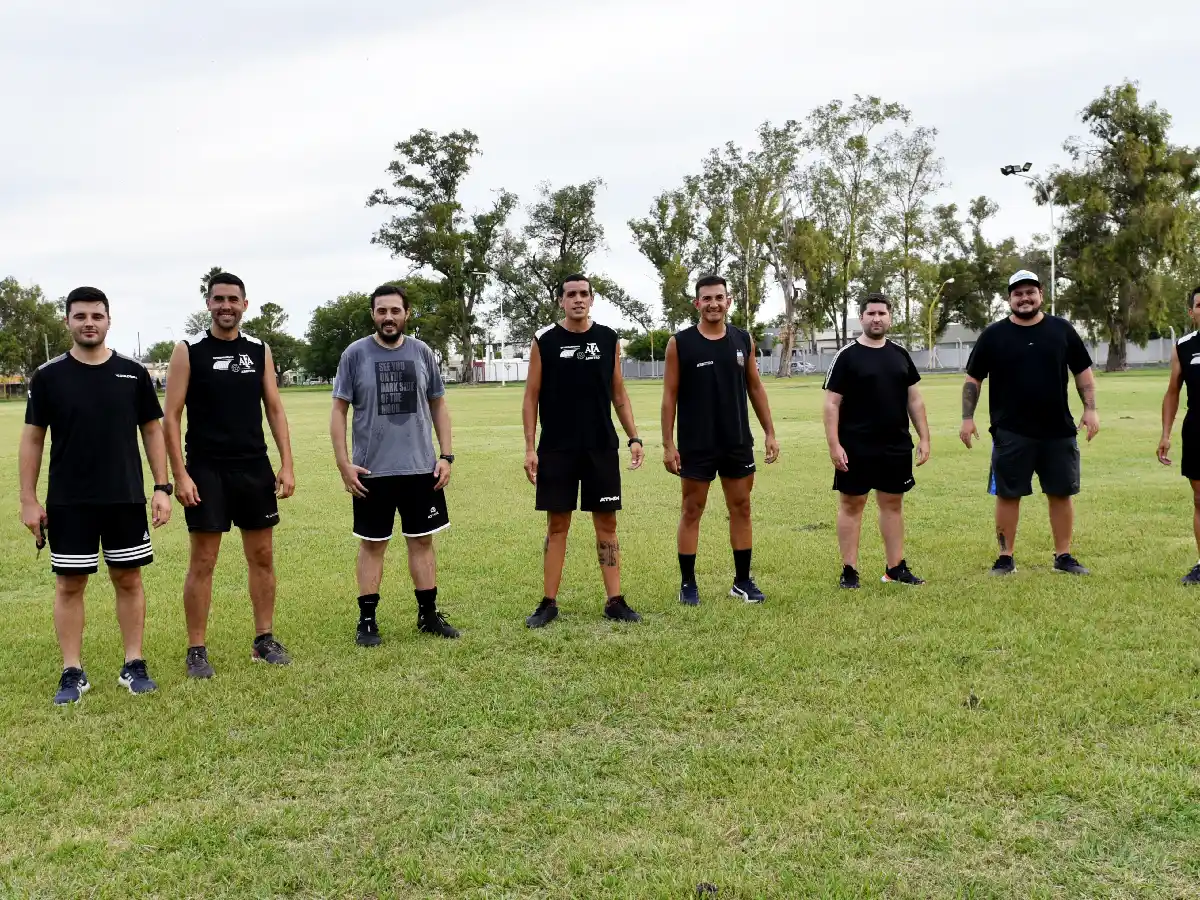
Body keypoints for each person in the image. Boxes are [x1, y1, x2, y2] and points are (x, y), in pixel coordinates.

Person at [18, 287, 173, 704]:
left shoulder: (132, 372)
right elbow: (33, 440)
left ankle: (133, 664)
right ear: (67, 321)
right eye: (81, 315)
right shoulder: (49, 376)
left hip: (124, 497)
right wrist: (28, 499)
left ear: (109, 320)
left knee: (129, 578)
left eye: (97, 316)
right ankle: (73, 671)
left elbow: (151, 431)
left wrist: (161, 487)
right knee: (70, 584)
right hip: (70, 501)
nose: (89, 322)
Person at [164, 272, 296, 677]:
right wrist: (181, 475)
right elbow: (171, 415)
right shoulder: (189, 350)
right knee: (204, 560)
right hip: (206, 469)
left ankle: (264, 639)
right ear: (208, 304)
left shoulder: (259, 350)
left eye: (233, 299)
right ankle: (197, 649)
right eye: (218, 299)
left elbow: (274, 407)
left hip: (253, 467)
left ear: (244, 304)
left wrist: (286, 462)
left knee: (262, 555)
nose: (226, 305)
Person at [330, 284, 460, 645]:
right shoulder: (355, 354)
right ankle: (367, 621)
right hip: (373, 472)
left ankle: (428, 615)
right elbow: (339, 411)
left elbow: (438, 404)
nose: (388, 317)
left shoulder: (422, 353)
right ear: (373, 314)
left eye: (395, 311)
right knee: (373, 544)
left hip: (421, 468)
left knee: (422, 541)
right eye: (381, 311)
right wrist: (344, 463)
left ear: (407, 314)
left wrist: (446, 455)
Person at [521, 274, 645, 628]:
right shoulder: (544, 340)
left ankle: (615, 600)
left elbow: (618, 394)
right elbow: (531, 398)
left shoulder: (608, 339)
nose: (578, 299)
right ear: (561, 300)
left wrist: (634, 437)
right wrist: (530, 448)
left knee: (606, 523)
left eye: (583, 294)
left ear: (592, 299)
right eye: (571, 294)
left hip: (600, 447)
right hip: (557, 449)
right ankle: (548, 603)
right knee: (557, 524)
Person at [960, 269, 1099, 576]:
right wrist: (967, 418)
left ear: (1041, 295)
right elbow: (973, 379)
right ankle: (1005, 557)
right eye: (1017, 293)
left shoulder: (1061, 330)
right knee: (1008, 495)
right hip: (1011, 431)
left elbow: (1082, 373)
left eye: (1030, 292)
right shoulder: (994, 335)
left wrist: (1090, 409)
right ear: (1009, 298)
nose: (1024, 298)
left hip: (1058, 430)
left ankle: (1063, 556)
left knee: (1061, 493)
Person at [661, 274, 780, 605]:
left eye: (719, 297)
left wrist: (770, 431)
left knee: (741, 506)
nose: (713, 303)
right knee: (692, 508)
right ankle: (688, 584)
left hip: (737, 440)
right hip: (697, 443)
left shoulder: (743, 339)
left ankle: (742, 581)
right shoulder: (680, 343)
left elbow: (755, 387)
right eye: (707, 298)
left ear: (729, 301)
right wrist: (668, 444)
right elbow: (669, 396)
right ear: (696, 304)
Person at [823, 293, 930, 589]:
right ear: (862, 318)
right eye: (871, 313)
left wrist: (924, 438)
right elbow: (832, 403)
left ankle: (895, 568)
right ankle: (849, 570)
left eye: (882, 313)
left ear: (890, 317)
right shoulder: (846, 355)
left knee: (892, 504)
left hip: (895, 445)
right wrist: (834, 445)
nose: (876, 318)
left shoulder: (899, 354)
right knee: (851, 504)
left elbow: (915, 399)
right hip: (855, 445)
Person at [1156, 286, 1200, 583]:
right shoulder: (1184, 346)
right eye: (1199, 305)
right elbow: (1173, 391)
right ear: (1191, 312)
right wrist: (1165, 433)